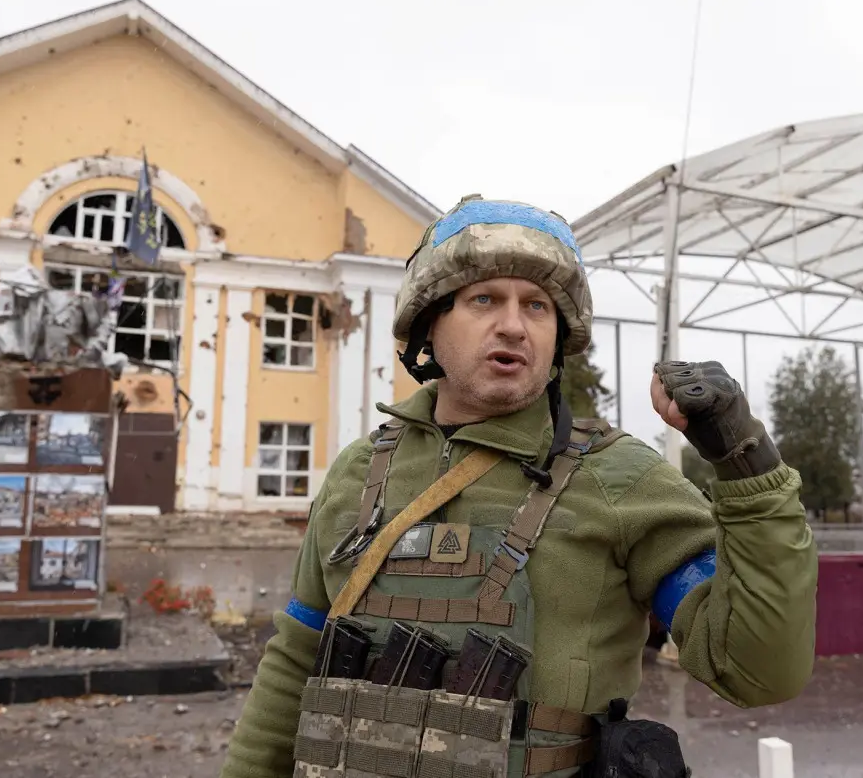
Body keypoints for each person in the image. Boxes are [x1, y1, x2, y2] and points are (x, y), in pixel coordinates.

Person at [220, 195, 818, 778]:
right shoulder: (358, 472)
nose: (513, 325)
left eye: (537, 306)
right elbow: (296, 658)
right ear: (431, 321)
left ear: (559, 335)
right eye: (484, 299)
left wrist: (747, 466)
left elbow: (758, 670)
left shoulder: (622, 481)